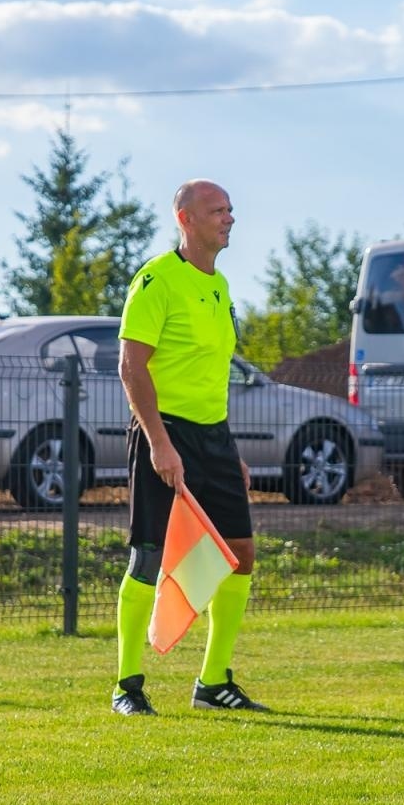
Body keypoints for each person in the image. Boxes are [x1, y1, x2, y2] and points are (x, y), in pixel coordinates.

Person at [111, 179, 266, 716]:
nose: (228, 218)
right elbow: (131, 367)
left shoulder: (220, 286)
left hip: (214, 439)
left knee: (240, 555)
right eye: (216, 210)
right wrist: (160, 443)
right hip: (164, 433)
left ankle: (213, 683)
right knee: (148, 558)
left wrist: (229, 449)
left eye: (230, 209)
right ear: (186, 220)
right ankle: (127, 686)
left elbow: (210, 374)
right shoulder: (156, 280)